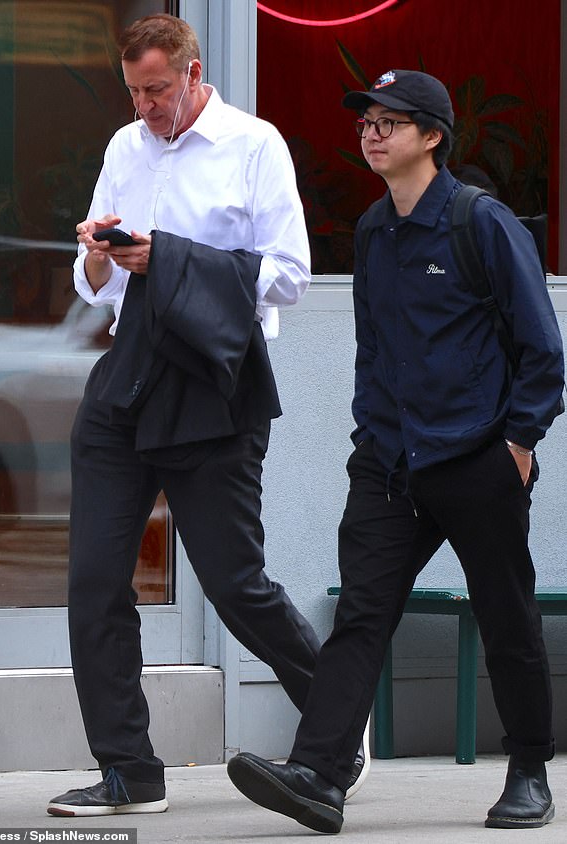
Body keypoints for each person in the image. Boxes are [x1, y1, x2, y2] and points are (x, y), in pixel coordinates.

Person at [46, 13, 369, 818]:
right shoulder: (126, 148)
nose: (146, 107)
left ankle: (336, 721)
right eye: (134, 92)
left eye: (157, 89)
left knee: (235, 584)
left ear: (193, 75)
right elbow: (98, 288)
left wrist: (173, 258)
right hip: (126, 376)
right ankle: (130, 769)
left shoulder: (254, 145)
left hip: (214, 384)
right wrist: (97, 253)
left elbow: (291, 275)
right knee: (92, 581)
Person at [227, 69, 564, 834]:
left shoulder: (483, 224)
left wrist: (516, 442)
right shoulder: (374, 230)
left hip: (478, 457)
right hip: (389, 462)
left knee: (505, 614)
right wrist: (368, 438)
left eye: (390, 121)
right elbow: (374, 350)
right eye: (366, 122)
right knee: (362, 614)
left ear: (433, 136)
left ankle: (528, 771)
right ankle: (319, 773)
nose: (371, 133)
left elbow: (543, 350)